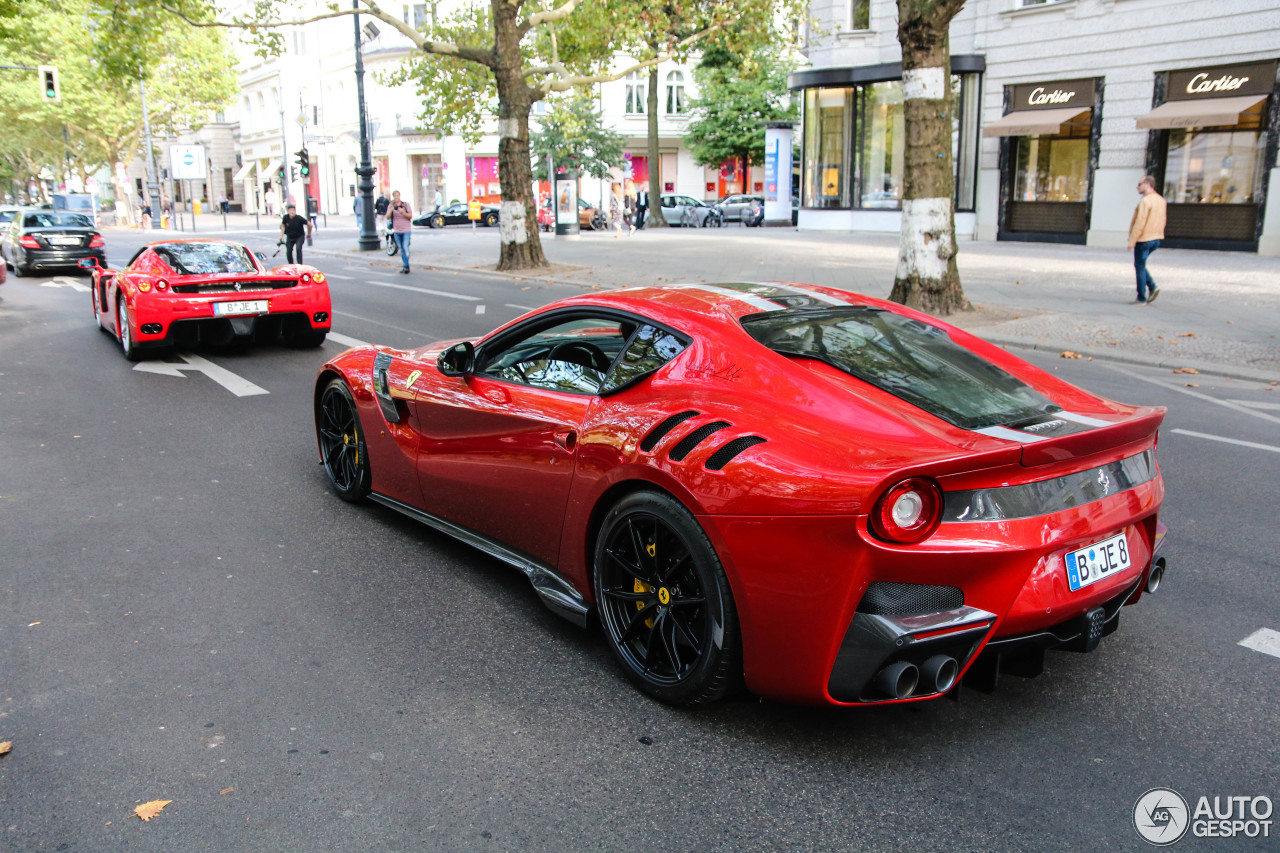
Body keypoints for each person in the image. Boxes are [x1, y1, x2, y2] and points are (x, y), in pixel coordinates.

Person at [1127, 175, 1167, 304]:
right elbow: (1163, 220)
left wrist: (1132, 240)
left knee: (1139, 266)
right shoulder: (1161, 200)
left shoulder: (1145, 201)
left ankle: (1141, 297)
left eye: (1139, 184)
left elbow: (1140, 222)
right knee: (1141, 264)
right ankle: (1152, 286)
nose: (1137, 187)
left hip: (1144, 238)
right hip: (1156, 238)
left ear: (1147, 184)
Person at [388, 190, 413, 273]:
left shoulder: (405, 205)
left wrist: (403, 212)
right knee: (401, 249)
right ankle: (405, 265)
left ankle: (406, 266)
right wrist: (391, 210)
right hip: (397, 230)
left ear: (399, 196)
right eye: (394, 196)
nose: (396, 197)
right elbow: (387, 217)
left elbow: (410, 215)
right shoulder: (391, 205)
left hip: (406, 230)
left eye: (397, 195)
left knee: (405, 247)